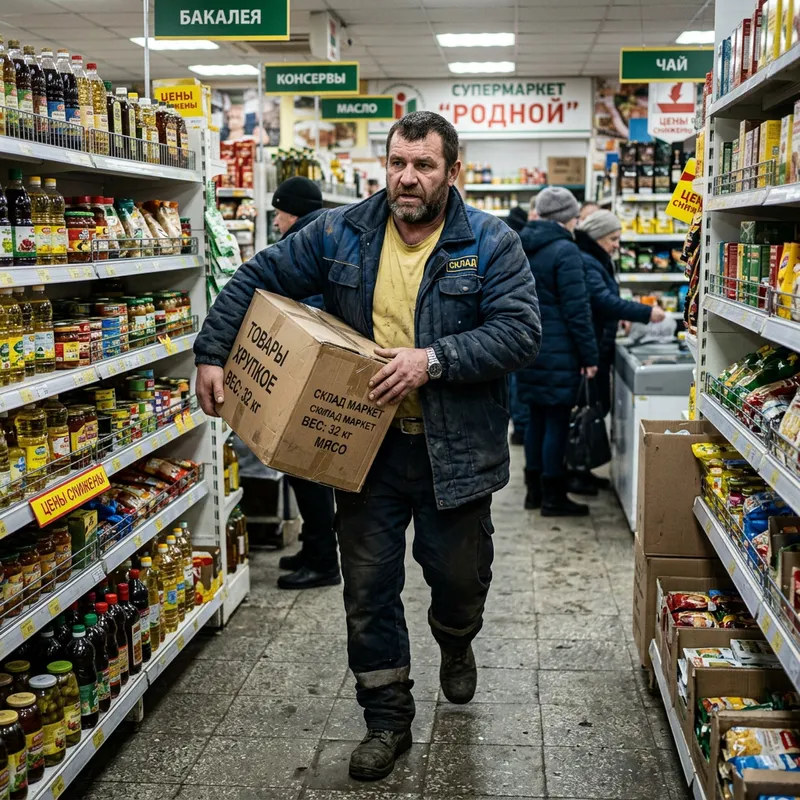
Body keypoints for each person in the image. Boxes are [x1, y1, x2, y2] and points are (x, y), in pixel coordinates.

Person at [194, 111, 541, 781]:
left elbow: (520, 333)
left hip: (455, 454)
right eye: (398, 163)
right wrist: (213, 351)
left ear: (453, 172)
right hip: (364, 449)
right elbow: (256, 275)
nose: (408, 178)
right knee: (369, 589)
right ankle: (386, 720)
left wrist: (432, 360)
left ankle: (456, 638)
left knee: (458, 579)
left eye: (424, 165)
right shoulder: (339, 231)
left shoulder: (490, 242)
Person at [268, 176, 341, 590]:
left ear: (292, 212)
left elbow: (310, 311)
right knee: (304, 471)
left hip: (310, 373)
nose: (276, 221)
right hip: (315, 372)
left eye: (278, 212)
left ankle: (323, 560)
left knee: (307, 470)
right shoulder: (325, 235)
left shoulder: (302, 245)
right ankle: (315, 547)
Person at [515, 187, 599, 517]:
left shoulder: (521, 245)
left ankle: (533, 491)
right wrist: (589, 356)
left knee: (535, 418)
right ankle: (553, 495)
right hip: (560, 349)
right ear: (567, 218)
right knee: (557, 421)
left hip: (527, 346)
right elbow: (578, 310)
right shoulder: (566, 251)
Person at [571, 210, 666, 495]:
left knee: (593, 408)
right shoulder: (587, 260)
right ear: (598, 236)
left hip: (599, 343)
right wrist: (645, 312)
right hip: (592, 347)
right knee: (586, 411)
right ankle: (574, 471)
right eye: (613, 239)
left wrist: (620, 317)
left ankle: (582, 469)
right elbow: (601, 300)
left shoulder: (593, 258)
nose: (616, 245)